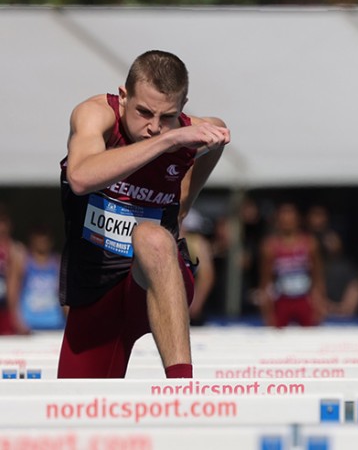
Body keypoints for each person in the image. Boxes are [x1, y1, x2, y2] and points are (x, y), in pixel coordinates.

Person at [59, 50, 230, 378]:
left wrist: (185, 200)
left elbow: (219, 135)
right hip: (96, 290)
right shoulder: (96, 115)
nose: (154, 127)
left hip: (156, 281)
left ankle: (182, 388)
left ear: (182, 107)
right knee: (76, 410)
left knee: (152, 238)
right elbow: (80, 177)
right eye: (144, 112)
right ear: (124, 97)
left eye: (167, 117)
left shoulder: (187, 130)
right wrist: (171, 140)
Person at [259, 202, 325, 328]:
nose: (287, 222)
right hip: (281, 299)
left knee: (311, 335)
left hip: (304, 298)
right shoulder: (270, 246)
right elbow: (266, 280)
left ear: (297, 220)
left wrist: (320, 302)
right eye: (283, 219)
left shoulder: (310, 243)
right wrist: (267, 310)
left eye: (290, 218)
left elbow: (317, 276)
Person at [307, 204, 358, 318]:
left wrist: (343, 309)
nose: (329, 243)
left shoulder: (345, 267)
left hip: (341, 321)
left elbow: (356, 287)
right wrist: (322, 306)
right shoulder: (305, 264)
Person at [19, 226, 65, 331]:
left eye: (44, 239)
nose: (41, 242)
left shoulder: (57, 263)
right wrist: (19, 322)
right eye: (38, 239)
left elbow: (63, 293)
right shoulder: (24, 262)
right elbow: (14, 293)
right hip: (29, 325)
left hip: (56, 324)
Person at [0, 208, 28, 336]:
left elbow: (14, 287)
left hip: (6, 312)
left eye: (3, 221)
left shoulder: (15, 250)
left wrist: (16, 317)